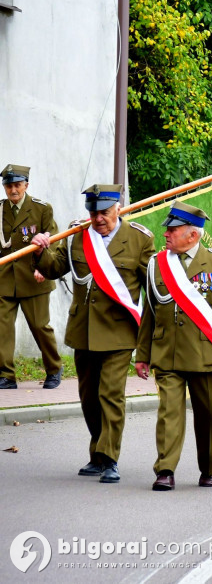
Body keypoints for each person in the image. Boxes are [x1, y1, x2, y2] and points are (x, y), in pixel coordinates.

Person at [32, 184, 156, 483]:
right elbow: (54, 268)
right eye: (93, 212)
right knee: (88, 398)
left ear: (118, 208)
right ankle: (97, 455)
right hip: (84, 331)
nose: (98, 219)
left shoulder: (139, 239)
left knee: (110, 394)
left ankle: (109, 457)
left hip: (119, 333)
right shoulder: (78, 236)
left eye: (104, 212)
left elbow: (154, 288)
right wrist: (40, 250)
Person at [135, 201, 212, 490]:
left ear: (193, 235)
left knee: (210, 415)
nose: (166, 235)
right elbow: (149, 310)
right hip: (167, 353)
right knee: (169, 413)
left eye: (173, 230)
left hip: (205, 355)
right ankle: (165, 470)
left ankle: (208, 466)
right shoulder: (157, 265)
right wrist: (143, 354)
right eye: (167, 230)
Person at [0, 164, 63, 390]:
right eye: (8, 186)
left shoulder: (41, 208)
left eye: (17, 185)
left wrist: (43, 266)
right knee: (2, 328)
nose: (13, 190)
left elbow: (54, 240)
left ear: (26, 185)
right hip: (5, 279)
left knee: (39, 326)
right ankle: (6, 375)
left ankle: (54, 368)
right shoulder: (0, 210)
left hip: (34, 276)